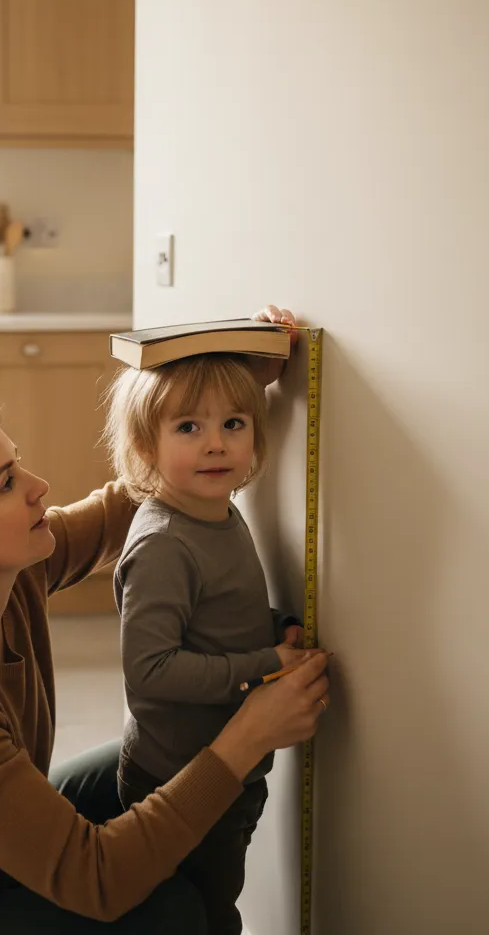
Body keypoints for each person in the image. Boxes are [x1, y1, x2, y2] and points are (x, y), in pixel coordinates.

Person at [0, 308, 330, 935]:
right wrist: (248, 736)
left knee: (155, 770)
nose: (39, 486)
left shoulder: (0, 576)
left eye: (19, 464)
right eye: (6, 483)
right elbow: (97, 880)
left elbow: (134, 496)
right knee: (173, 912)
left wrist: (226, 391)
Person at [105, 308, 312, 934]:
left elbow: (216, 615)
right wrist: (264, 665)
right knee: (200, 915)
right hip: (178, 778)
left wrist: (273, 627)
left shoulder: (214, 507)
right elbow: (150, 671)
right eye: (188, 427)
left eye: (233, 424)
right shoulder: (166, 543)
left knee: (214, 898)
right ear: (147, 445)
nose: (216, 443)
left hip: (224, 767)